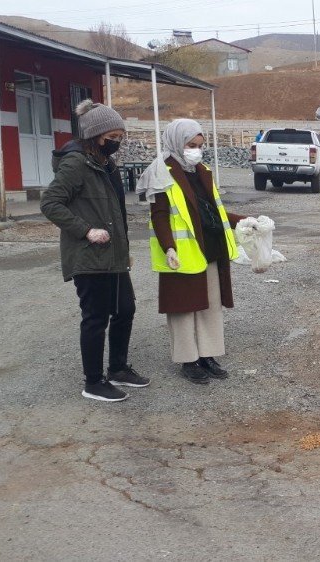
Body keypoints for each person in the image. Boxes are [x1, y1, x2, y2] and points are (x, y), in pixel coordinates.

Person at [41, 99, 150, 402]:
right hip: (89, 255)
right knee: (95, 317)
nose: (118, 142)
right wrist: (86, 230)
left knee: (125, 309)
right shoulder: (76, 163)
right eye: (113, 137)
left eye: (120, 136)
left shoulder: (106, 163)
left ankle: (118, 368)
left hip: (113, 255)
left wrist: (124, 249)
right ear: (96, 135)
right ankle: (93, 382)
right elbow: (50, 203)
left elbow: (117, 213)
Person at [137, 119, 247, 384]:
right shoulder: (161, 172)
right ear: (177, 142)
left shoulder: (202, 170)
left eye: (200, 145)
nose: (196, 150)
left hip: (210, 249)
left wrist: (244, 221)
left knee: (210, 306)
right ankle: (189, 359)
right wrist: (169, 248)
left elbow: (214, 211)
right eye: (191, 145)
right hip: (181, 255)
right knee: (184, 309)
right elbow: (160, 215)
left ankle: (208, 355)